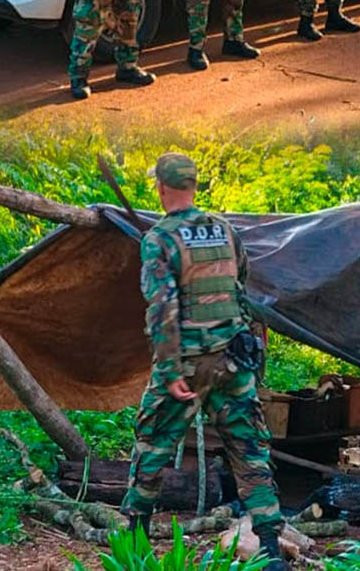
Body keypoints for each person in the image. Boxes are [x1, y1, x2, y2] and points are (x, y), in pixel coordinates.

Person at [123, 152, 289, 570]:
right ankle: (271, 551)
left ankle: (135, 543)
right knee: (249, 451)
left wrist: (169, 370)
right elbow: (240, 282)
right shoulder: (225, 230)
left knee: (152, 445)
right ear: (194, 186)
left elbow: (162, 306)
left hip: (188, 365)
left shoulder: (160, 239)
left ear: (162, 187)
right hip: (233, 361)